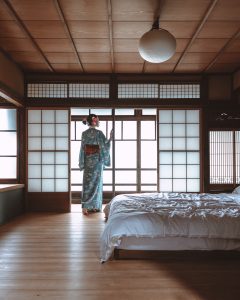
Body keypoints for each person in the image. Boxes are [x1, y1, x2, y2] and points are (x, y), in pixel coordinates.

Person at [78, 114, 113, 215]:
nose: (98, 121)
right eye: (97, 120)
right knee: (97, 184)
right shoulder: (99, 133)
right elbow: (104, 146)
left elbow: (82, 149)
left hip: (88, 161)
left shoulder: (84, 133)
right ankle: (94, 206)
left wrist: (82, 161)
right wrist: (110, 139)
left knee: (87, 184)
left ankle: (86, 207)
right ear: (93, 121)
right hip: (97, 161)